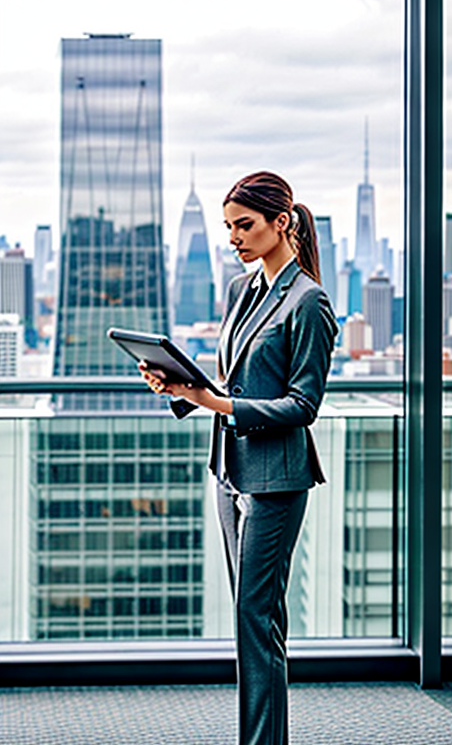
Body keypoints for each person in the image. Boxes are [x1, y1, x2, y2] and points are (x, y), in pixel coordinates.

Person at [140, 171, 338, 745]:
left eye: (244, 226)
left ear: (282, 222)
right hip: (230, 471)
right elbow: (236, 379)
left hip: (276, 480)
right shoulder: (240, 290)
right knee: (251, 619)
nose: (234, 238)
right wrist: (185, 388)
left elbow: (303, 405)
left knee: (257, 622)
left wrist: (216, 402)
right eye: (228, 227)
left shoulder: (309, 302)